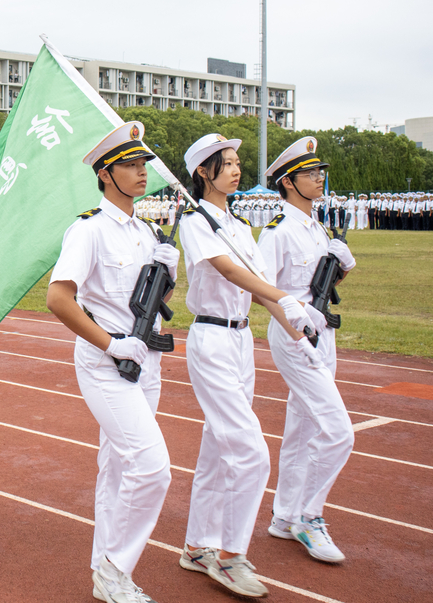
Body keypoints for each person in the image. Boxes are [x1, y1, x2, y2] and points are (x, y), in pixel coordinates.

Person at [178, 134, 312, 599]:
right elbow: (231, 272)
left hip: (240, 340)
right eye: (227, 163)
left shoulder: (236, 224)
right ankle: (230, 557)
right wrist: (285, 297)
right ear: (203, 172)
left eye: (237, 162)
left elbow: (259, 285)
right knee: (250, 453)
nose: (236, 170)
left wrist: (299, 333)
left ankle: (197, 547)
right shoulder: (195, 222)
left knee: (218, 449)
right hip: (212, 339)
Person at [46, 122, 174, 603]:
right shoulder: (89, 229)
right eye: (130, 165)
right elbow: (59, 299)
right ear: (105, 173)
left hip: (146, 362)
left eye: (143, 164)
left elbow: (151, 302)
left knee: (119, 468)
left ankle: (104, 568)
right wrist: (109, 344)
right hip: (107, 365)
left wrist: (169, 274)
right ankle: (116, 569)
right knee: (152, 467)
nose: (142, 172)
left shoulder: (148, 231)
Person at [258, 137, 355, 563]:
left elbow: (323, 287)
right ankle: (308, 516)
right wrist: (298, 333)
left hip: (322, 332)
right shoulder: (277, 232)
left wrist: (343, 267)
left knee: (302, 428)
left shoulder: (317, 228)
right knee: (338, 431)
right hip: (296, 337)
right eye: (310, 173)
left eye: (320, 172)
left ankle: (284, 516)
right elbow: (263, 291)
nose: (319, 178)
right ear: (289, 182)